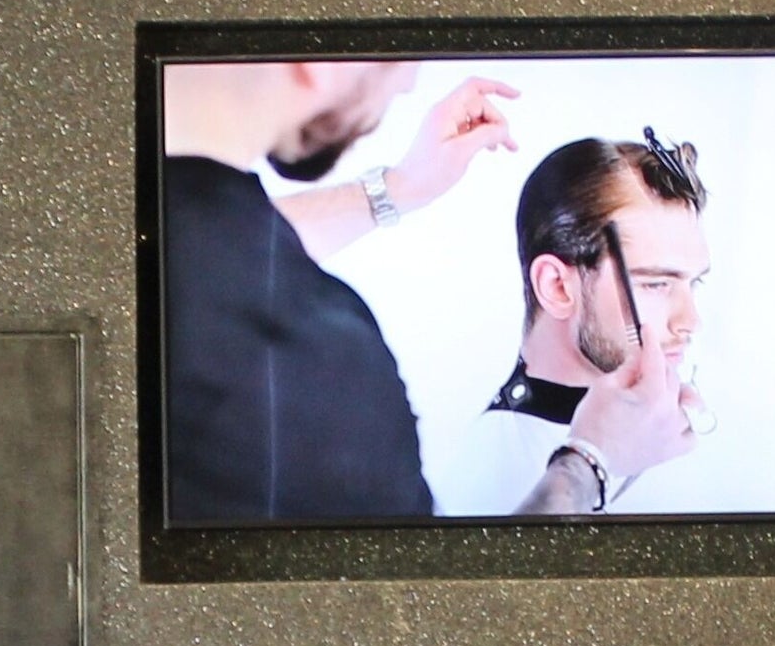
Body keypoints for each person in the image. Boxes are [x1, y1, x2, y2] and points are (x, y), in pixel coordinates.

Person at [156, 61, 694, 521]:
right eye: (397, 55)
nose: (409, 84)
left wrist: (397, 189)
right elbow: (440, 629)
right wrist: (591, 464)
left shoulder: (143, 245)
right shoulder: (314, 360)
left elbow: (215, 244)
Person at [430, 133, 714, 517]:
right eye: (657, 284)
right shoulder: (489, 487)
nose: (690, 322)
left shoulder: (679, 450)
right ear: (558, 286)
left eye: (693, 282)